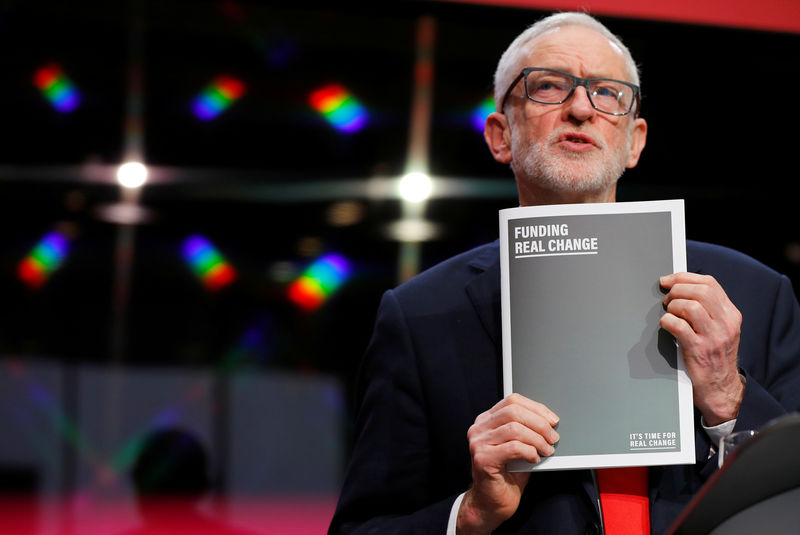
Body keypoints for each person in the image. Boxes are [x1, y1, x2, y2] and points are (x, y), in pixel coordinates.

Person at [328, 11, 800, 535]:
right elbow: (361, 528)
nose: (580, 108)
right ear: (500, 135)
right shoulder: (421, 316)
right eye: (548, 87)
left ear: (635, 140)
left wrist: (728, 401)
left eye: (608, 93)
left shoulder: (756, 295)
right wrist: (470, 514)